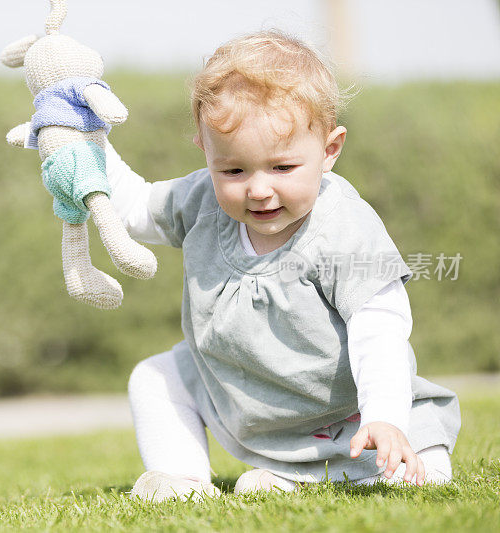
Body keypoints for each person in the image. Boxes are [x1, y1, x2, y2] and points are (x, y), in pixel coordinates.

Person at [103, 31, 460, 501]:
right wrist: (85, 142)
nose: (258, 189)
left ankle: (368, 459)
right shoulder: (202, 200)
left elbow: (381, 328)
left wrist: (385, 414)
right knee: (156, 375)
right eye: (233, 170)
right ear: (206, 151)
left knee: (417, 469)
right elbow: (134, 209)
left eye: (282, 168)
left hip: (348, 410)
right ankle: (184, 479)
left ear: (329, 150)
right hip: (259, 397)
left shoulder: (342, 228)